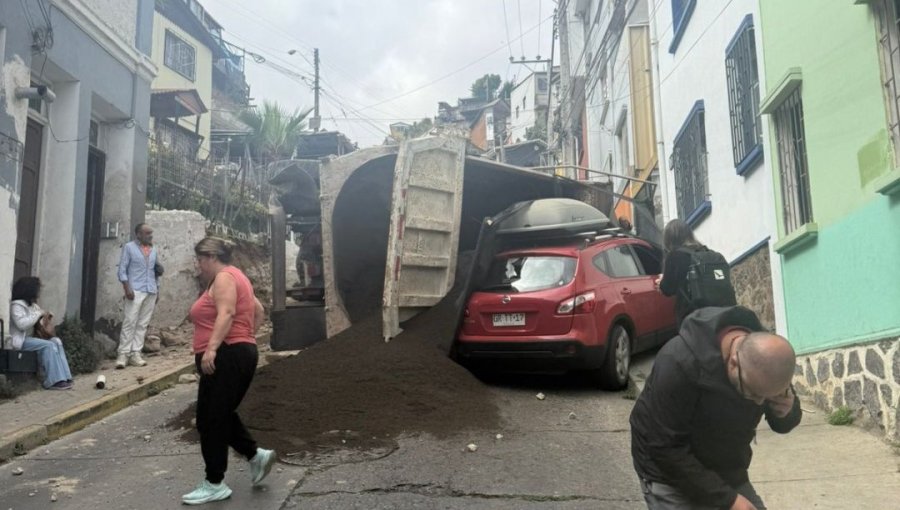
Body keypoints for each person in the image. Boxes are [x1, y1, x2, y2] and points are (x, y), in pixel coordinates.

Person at [630, 306, 801, 510]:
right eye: (753, 394)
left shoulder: (768, 361)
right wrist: (728, 500)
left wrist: (786, 411)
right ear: (734, 363)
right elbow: (664, 448)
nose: (759, 403)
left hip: (726, 467)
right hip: (668, 470)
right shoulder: (679, 362)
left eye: (767, 397)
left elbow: (782, 423)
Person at [182, 237, 275, 505]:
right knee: (215, 414)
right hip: (235, 352)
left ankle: (214, 483)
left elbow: (227, 313)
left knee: (212, 419)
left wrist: (212, 348)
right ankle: (256, 456)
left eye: (200, 259)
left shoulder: (223, 278)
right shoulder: (237, 276)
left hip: (226, 355)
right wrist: (247, 338)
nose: (198, 265)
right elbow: (258, 310)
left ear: (212, 257)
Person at [656, 219, 734, 327]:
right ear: (689, 234)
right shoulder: (711, 254)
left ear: (669, 239)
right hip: (724, 312)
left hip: (695, 318)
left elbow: (668, 289)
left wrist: (661, 282)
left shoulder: (675, 256)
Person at [9, 277, 74, 390]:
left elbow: (38, 321)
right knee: (48, 345)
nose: (38, 293)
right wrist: (38, 314)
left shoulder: (33, 305)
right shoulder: (16, 306)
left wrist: (46, 318)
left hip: (32, 339)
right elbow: (22, 324)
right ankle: (54, 381)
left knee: (56, 341)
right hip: (20, 341)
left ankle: (65, 376)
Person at [116, 223, 159, 369]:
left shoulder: (153, 249)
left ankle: (136, 353)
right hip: (135, 290)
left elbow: (155, 271)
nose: (150, 236)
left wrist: (157, 289)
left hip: (150, 290)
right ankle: (123, 354)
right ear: (139, 234)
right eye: (147, 233)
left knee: (142, 323)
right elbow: (122, 269)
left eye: (151, 233)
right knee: (130, 321)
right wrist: (127, 287)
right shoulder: (129, 247)